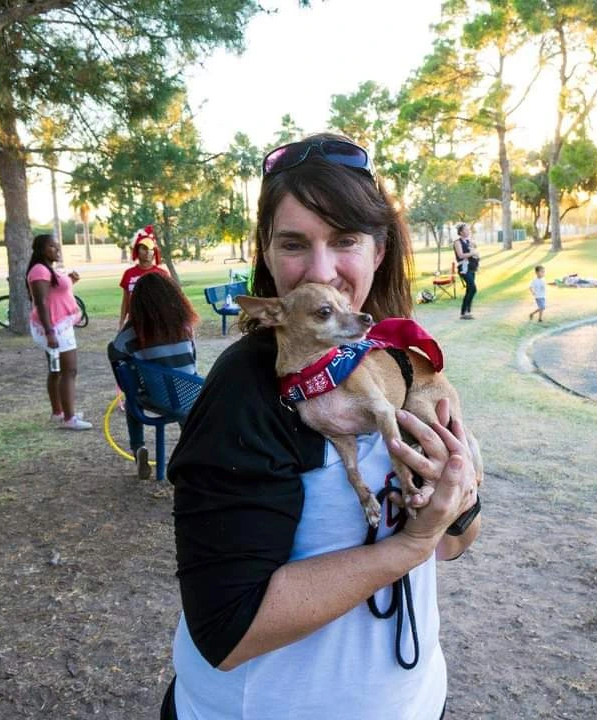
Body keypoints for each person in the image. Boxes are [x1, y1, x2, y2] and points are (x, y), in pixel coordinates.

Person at [162, 133, 481, 720]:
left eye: (345, 240)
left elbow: (457, 543)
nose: (322, 269)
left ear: (378, 250)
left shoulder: (397, 360)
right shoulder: (246, 393)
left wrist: (452, 507)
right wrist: (411, 543)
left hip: (413, 700)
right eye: (294, 243)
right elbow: (227, 629)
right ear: (267, 252)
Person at [108, 272, 199, 479]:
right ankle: (192, 452)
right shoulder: (184, 326)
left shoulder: (132, 332)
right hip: (191, 399)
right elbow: (192, 361)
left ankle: (138, 447)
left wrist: (129, 381)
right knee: (184, 406)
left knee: (132, 402)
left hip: (155, 399)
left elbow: (115, 350)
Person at [26, 233, 91, 430]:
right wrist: (50, 332)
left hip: (58, 325)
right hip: (55, 327)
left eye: (57, 246)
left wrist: (70, 280)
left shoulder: (46, 269)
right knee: (69, 371)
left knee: (56, 371)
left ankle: (59, 412)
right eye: (52, 247)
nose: (57, 250)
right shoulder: (39, 271)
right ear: (41, 250)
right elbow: (40, 302)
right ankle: (69, 419)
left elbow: (55, 292)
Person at [118, 225, 169, 329]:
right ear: (137, 250)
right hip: (134, 322)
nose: (147, 252)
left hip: (157, 321)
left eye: (151, 249)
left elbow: (168, 300)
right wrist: (121, 322)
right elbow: (126, 300)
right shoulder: (129, 274)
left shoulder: (162, 274)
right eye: (144, 248)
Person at [453, 222, 480, 319]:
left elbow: (474, 252)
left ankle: (466, 312)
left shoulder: (469, 241)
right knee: (473, 288)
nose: (468, 231)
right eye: (466, 229)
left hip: (472, 268)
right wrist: (472, 253)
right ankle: (465, 312)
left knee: (469, 289)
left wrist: (475, 253)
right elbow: (460, 255)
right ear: (460, 232)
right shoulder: (457, 242)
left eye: (469, 229)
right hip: (463, 269)